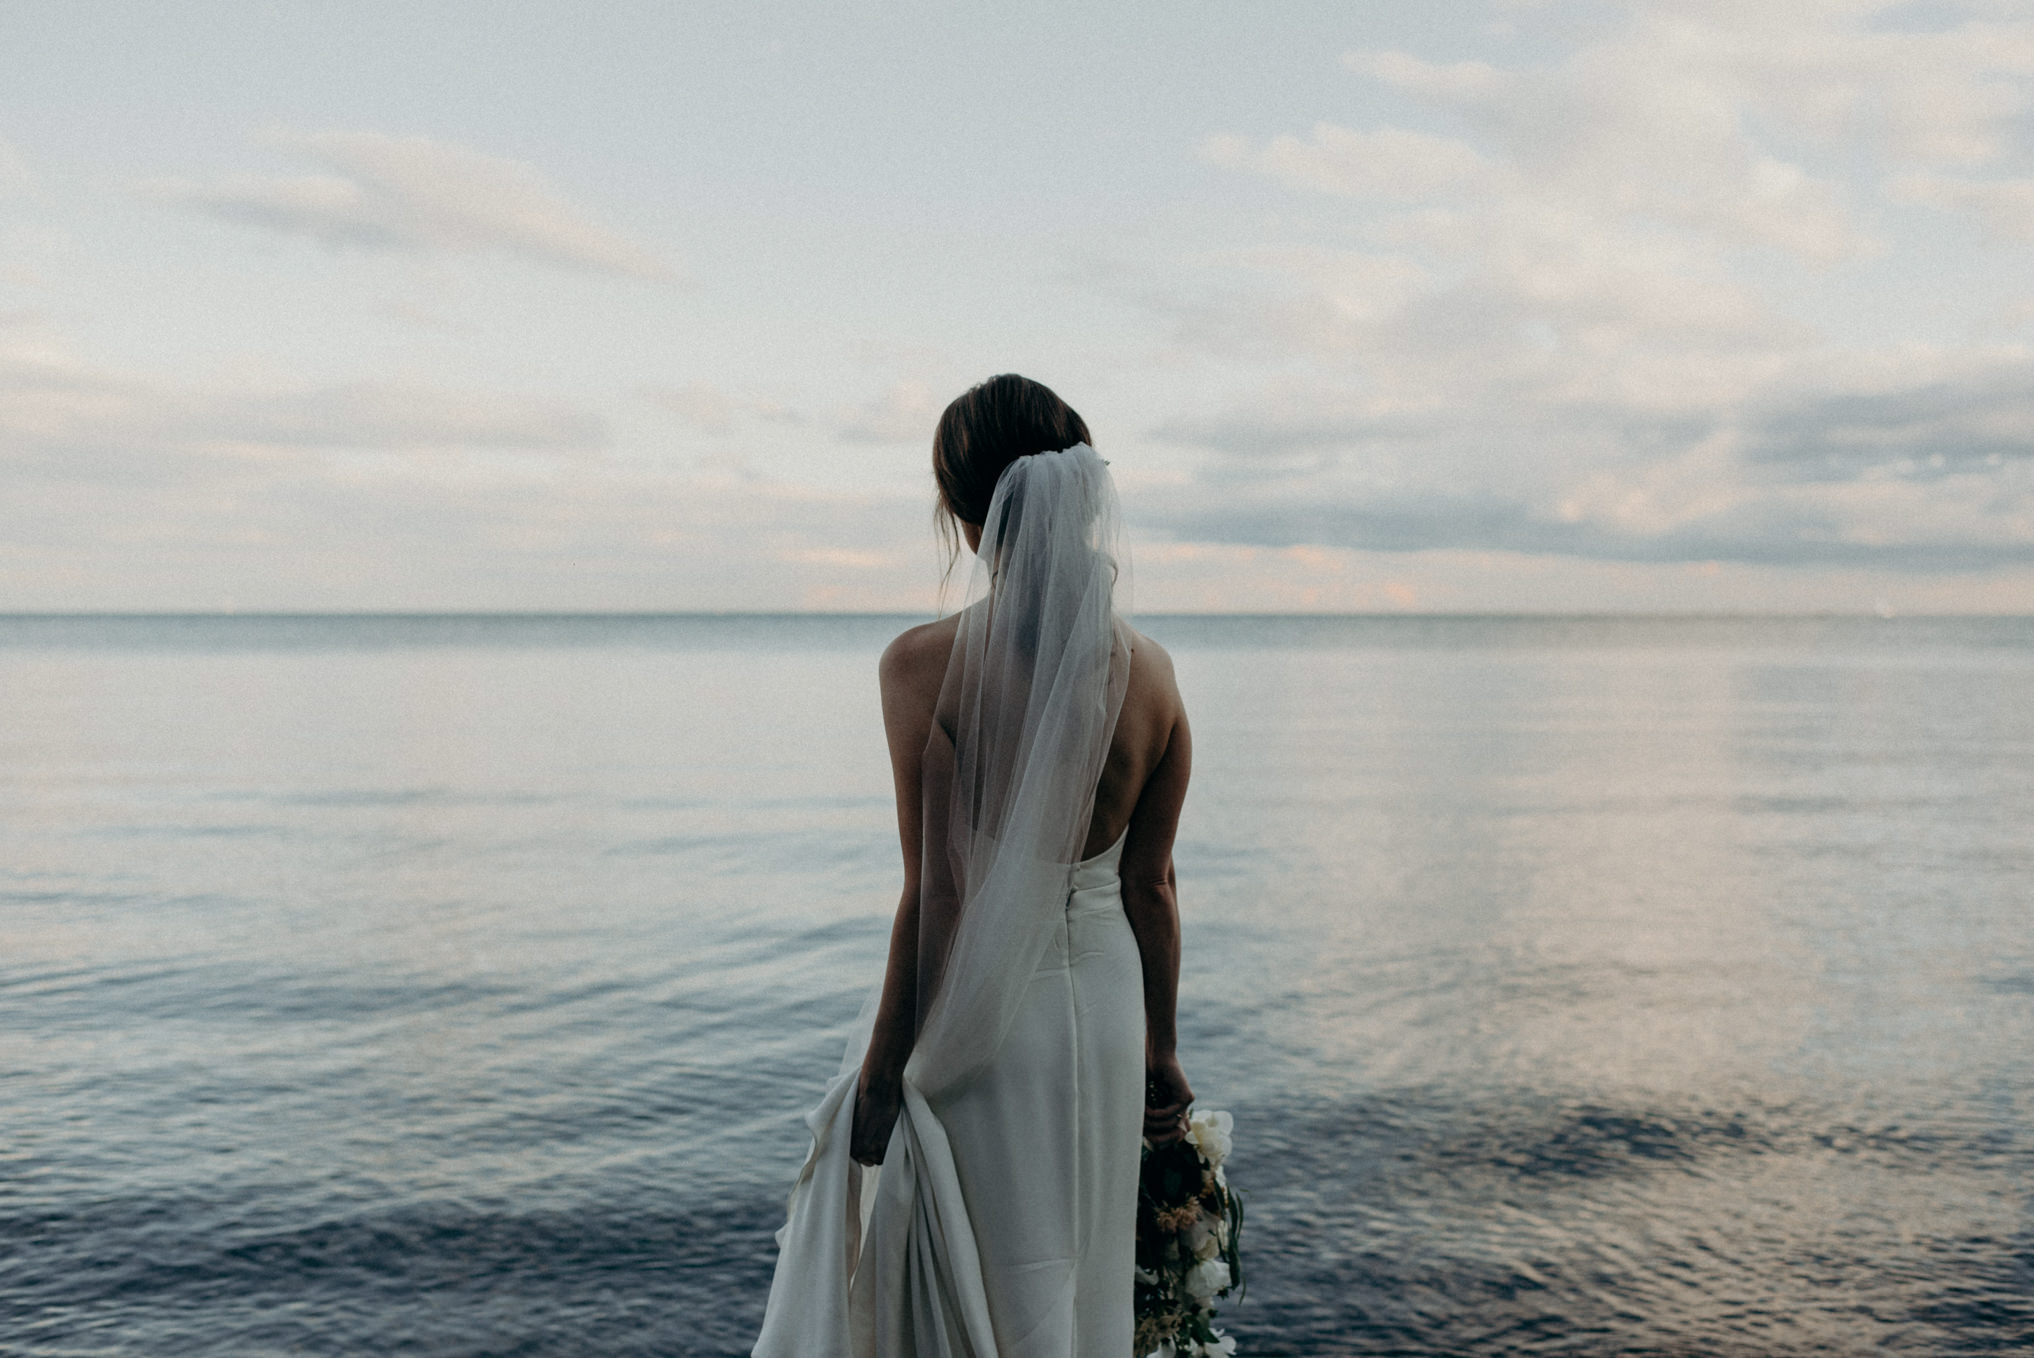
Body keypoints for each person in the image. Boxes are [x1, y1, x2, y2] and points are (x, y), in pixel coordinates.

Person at [754, 374, 1195, 1358]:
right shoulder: (1154, 674)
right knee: (1083, 1271)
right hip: (1113, 1015)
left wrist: (879, 1075)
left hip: (996, 1021)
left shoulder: (923, 666)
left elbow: (940, 896)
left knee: (993, 1276)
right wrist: (1163, 1050)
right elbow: (1150, 886)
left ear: (964, 514)